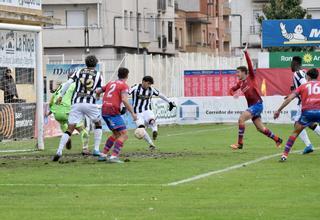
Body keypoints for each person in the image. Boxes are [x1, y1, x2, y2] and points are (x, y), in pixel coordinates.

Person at [229, 48, 282, 150]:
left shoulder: (251, 77)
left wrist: (245, 52)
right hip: (253, 106)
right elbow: (231, 90)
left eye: (238, 72)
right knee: (260, 129)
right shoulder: (240, 83)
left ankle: (240, 143)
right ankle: (277, 139)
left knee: (241, 119)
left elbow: (249, 64)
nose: (237, 74)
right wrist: (233, 94)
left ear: (244, 72)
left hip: (257, 105)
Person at [52, 55, 103, 161]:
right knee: (98, 124)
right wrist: (98, 95)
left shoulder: (79, 72)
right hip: (90, 103)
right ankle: (96, 149)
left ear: (86, 63)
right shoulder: (98, 75)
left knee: (70, 129)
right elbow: (99, 91)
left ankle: (59, 151)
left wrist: (61, 95)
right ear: (96, 64)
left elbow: (68, 83)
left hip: (76, 103)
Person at [274, 68, 320, 162]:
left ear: (308, 77)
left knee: (295, 132)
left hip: (307, 113)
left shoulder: (303, 86)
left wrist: (278, 110)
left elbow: (289, 99)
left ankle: (284, 155)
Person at [96, 67, 137, 163]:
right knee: (124, 135)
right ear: (127, 75)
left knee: (116, 134)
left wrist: (98, 96)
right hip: (113, 110)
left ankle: (103, 154)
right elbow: (124, 99)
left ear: (118, 74)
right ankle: (114, 157)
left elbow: (98, 91)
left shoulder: (110, 83)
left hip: (104, 110)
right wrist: (133, 113)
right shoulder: (124, 86)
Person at [129, 76, 176, 150]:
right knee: (141, 129)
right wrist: (123, 106)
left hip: (147, 110)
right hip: (137, 113)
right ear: (143, 81)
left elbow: (161, 95)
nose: (149, 85)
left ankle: (155, 131)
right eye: (148, 83)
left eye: (150, 84)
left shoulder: (151, 89)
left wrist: (170, 102)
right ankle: (151, 144)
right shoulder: (135, 88)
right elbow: (126, 94)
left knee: (152, 120)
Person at [45, 81, 89, 154]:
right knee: (82, 130)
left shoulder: (61, 86)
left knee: (65, 126)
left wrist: (50, 112)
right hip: (67, 111)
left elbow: (52, 100)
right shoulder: (75, 84)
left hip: (57, 113)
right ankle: (85, 149)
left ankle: (67, 138)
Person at [289, 56, 320, 154]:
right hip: (308, 101)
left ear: (295, 63)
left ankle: (308, 145)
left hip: (305, 103)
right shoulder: (304, 72)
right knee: (311, 124)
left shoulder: (297, 73)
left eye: (292, 63)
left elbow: (305, 84)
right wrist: (294, 88)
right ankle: (308, 145)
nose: (291, 65)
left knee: (297, 124)